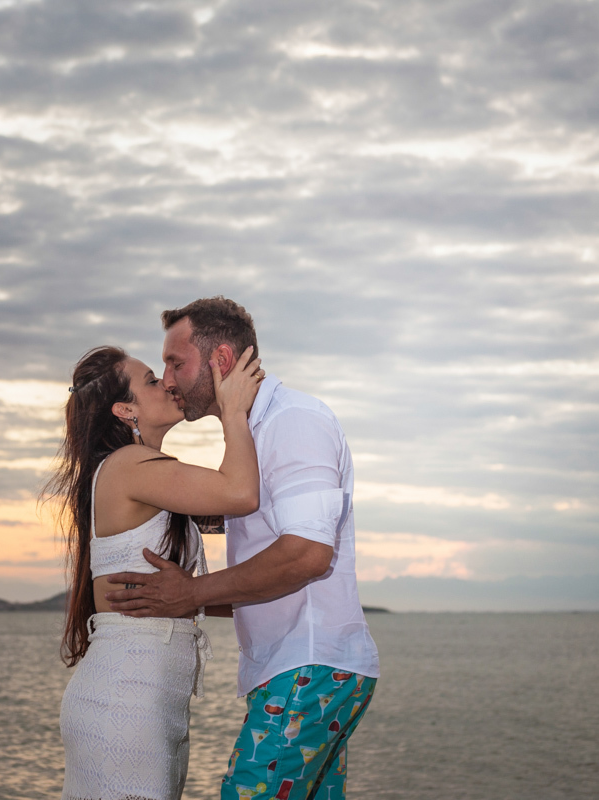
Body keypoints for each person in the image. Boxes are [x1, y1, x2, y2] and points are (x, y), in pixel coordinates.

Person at [104, 297, 380, 800]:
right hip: (296, 669)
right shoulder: (253, 434)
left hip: (308, 665)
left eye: (175, 363)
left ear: (222, 362)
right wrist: (178, 596)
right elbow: (267, 561)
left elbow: (307, 556)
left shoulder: (294, 421)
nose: (168, 379)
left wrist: (190, 595)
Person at [47, 343, 265, 800]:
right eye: (150, 380)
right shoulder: (129, 465)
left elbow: (184, 592)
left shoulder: (142, 471)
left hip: (147, 697)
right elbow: (241, 493)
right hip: (128, 698)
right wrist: (233, 410)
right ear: (124, 409)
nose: (167, 382)